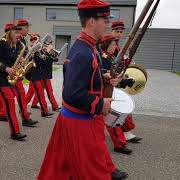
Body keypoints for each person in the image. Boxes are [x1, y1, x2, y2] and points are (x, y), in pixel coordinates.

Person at [37, 1, 128, 179]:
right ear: (92, 21)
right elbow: (72, 94)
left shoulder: (89, 46)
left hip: (83, 119)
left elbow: (88, 74)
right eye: (105, 19)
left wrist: (104, 76)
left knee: (60, 170)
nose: (107, 24)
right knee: (93, 174)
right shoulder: (82, 52)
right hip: (80, 122)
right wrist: (100, 103)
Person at [0, 23, 29, 141]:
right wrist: (6, 68)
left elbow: (11, 59)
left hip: (5, 78)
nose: (18, 35)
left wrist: (20, 61)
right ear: (9, 33)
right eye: (16, 32)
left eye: (19, 32)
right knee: (9, 102)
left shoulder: (13, 44)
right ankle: (15, 132)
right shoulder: (2, 43)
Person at [98, 34, 134, 155]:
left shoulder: (111, 57)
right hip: (104, 90)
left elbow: (115, 75)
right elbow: (106, 75)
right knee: (111, 118)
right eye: (112, 44)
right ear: (106, 45)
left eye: (115, 44)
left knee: (112, 117)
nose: (115, 46)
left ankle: (122, 140)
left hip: (109, 89)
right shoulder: (103, 58)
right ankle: (119, 144)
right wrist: (122, 81)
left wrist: (124, 80)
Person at [111, 21, 143, 143]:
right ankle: (122, 134)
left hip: (117, 79)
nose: (119, 34)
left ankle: (125, 131)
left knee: (122, 107)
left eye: (120, 32)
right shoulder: (107, 45)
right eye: (116, 31)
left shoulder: (119, 47)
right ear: (111, 31)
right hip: (110, 80)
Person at [25, 34, 53, 116]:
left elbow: (42, 60)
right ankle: (44, 111)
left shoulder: (37, 49)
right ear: (33, 40)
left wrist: (46, 52)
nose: (38, 41)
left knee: (38, 94)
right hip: (34, 74)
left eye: (38, 39)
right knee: (40, 94)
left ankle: (22, 109)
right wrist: (47, 51)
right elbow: (39, 59)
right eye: (36, 39)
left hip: (38, 74)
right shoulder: (32, 49)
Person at [31, 39, 61, 112]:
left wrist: (52, 53)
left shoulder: (48, 52)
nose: (49, 46)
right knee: (49, 91)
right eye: (48, 45)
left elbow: (56, 59)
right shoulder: (40, 52)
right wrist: (47, 51)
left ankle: (34, 103)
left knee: (40, 91)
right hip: (44, 75)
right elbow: (42, 60)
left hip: (47, 74)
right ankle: (55, 106)